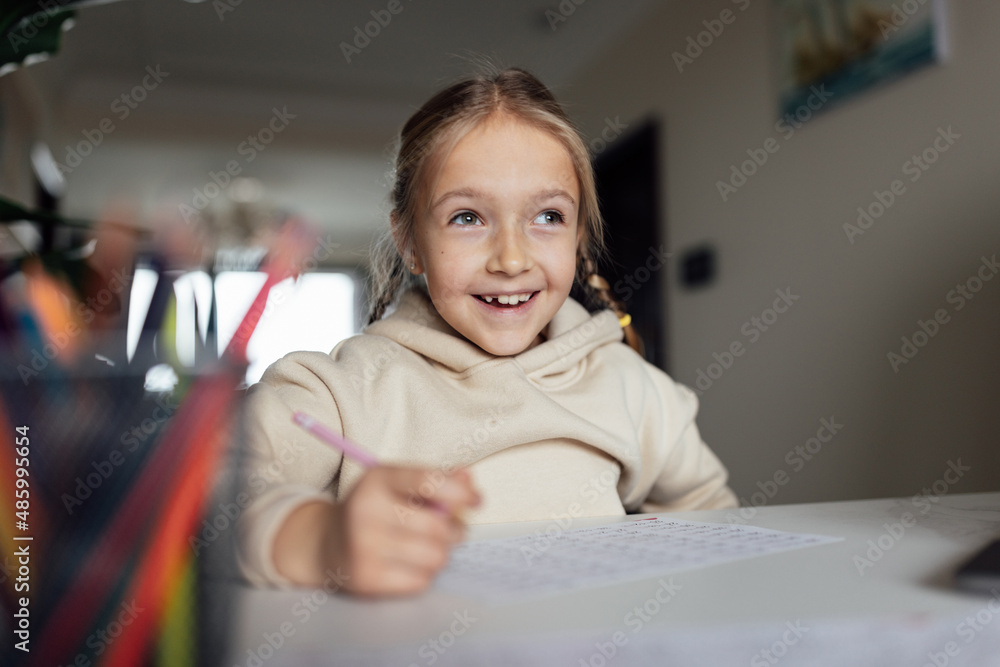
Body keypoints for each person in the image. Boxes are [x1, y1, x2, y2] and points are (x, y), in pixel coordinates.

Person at [237, 66, 737, 596]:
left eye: (547, 216)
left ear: (578, 236)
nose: (512, 259)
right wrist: (320, 539)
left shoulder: (629, 385)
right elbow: (206, 496)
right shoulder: (345, 391)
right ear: (409, 242)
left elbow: (712, 517)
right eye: (468, 218)